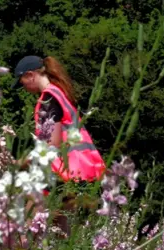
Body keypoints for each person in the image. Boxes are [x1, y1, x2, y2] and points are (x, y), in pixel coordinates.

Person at [12, 55, 105, 235]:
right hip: (74, 175)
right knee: (60, 233)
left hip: (55, 176)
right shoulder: (60, 93)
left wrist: (22, 163)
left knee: (30, 232)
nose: (23, 87)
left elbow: (51, 145)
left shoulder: (48, 100)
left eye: (22, 81)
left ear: (31, 75)